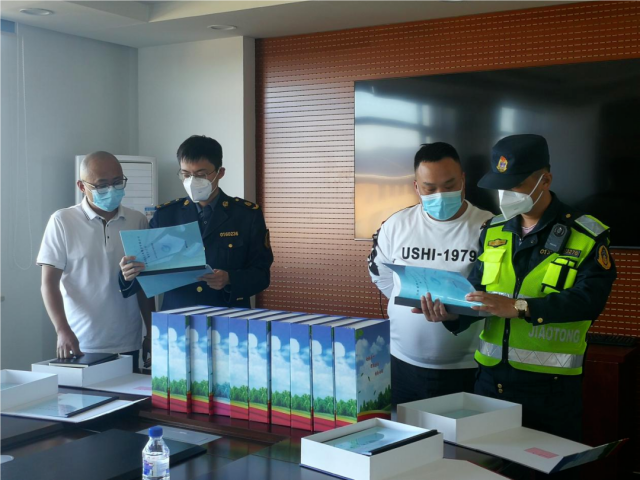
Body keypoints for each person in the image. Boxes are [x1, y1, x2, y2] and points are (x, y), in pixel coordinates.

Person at [420, 134, 616, 443]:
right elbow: (478, 293)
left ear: (545, 180)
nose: (506, 195)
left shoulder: (585, 234)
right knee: (489, 461)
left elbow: (589, 300)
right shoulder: (494, 230)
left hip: (551, 389)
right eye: (501, 186)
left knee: (547, 464)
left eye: (515, 186)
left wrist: (521, 307)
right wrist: (451, 313)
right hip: (490, 381)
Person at [368, 142, 493, 405]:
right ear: (416, 187)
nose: (440, 195)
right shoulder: (396, 225)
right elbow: (381, 274)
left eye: (449, 186)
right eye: (430, 188)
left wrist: (457, 312)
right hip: (401, 363)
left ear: (463, 180)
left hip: (467, 365)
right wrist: (408, 301)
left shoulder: (490, 226)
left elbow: (497, 292)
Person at [119, 135, 273, 310]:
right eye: (186, 174)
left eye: (201, 174)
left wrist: (230, 279)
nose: (192, 181)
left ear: (220, 173)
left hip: (228, 316)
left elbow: (262, 275)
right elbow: (146, 273)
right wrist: (128, 274)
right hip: (177, 316)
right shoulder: (165, 215)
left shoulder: (246, 215)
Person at [37, 151, 154, 370]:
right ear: (82, 186)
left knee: (131, 392)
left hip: (128, 340)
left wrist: (151, 332)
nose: (111, 189)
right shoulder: (62, 221)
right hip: (80, 342)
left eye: (117, 182)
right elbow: (48, 284)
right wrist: (62, 329)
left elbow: (145, 286)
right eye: (102, 185)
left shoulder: (137, 221)